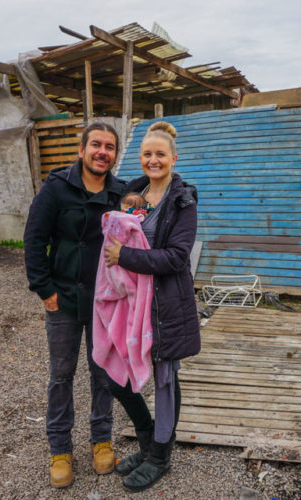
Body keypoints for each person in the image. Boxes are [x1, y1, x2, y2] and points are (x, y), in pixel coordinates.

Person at [24, 122, 137, 488]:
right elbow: (34, 239)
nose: (102, 152)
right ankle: (60, 449)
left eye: (109, 147)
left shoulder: (121, 191)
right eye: (96, 145)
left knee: (102, 372)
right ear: (82, 149)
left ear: (115, 154)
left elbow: (139, 227)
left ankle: (101, 441)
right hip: (64, 300)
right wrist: (45, 290)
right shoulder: (57, 188)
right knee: (61, 375)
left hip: (104, 302)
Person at [103, 120, 200, 492]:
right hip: (130, 304)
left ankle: (160, 455)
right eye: (147, 154)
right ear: (140, 158)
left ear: (173, 158)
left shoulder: (182, 202)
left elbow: (176, 257)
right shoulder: (132, 193)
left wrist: (123, 256)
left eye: (160, 154)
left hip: (165, 306)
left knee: (163, 379)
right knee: (115, 375)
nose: (153, 160)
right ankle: (147, 442)